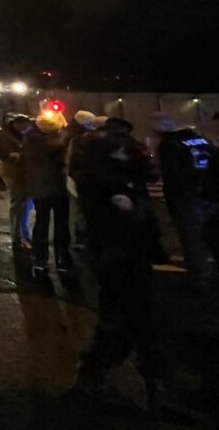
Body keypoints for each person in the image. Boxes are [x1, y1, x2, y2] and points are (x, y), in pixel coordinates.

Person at [73, 117, 176, 415]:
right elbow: (115, 220)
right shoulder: (107, 184)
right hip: (119, 258)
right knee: (134, 326)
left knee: (129, 325)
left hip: (124, 257)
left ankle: (97, 380)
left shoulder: (114, 177)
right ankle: (151, 391)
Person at [152, 112, 217, 288]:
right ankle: (210, 270)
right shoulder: (203, 141)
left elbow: (171, 176)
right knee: (209, 235)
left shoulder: (170, 145)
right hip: (208, 194)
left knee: (191, 237)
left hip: (185, 197)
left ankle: (200, 277)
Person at [23, 112, 71, 277]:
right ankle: (62, 259)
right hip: (57, 189)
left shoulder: (28, 142)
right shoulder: (55, 145)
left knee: (41, 223)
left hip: (38, 188)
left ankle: (40, 259)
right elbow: (62, 164)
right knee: (61, 225)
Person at [0, 113, 31, 251]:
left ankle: (21, 234)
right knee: (17, 204)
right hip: (13, 173)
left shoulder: (15, 135)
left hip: (19, 173)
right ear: (18, 124)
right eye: (24, 126)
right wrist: (22, 155)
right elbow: (5, 155)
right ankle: (17, 236)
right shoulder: (5, 136)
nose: (26, 129)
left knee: (22, 204)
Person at [63, 110, 99, 250]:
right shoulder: (77, 139)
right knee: (77, 209)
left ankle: (77, 237)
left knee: (76, 209)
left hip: (75, 176)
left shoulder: (71, 136)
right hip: (77, 177)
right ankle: (77, 238)